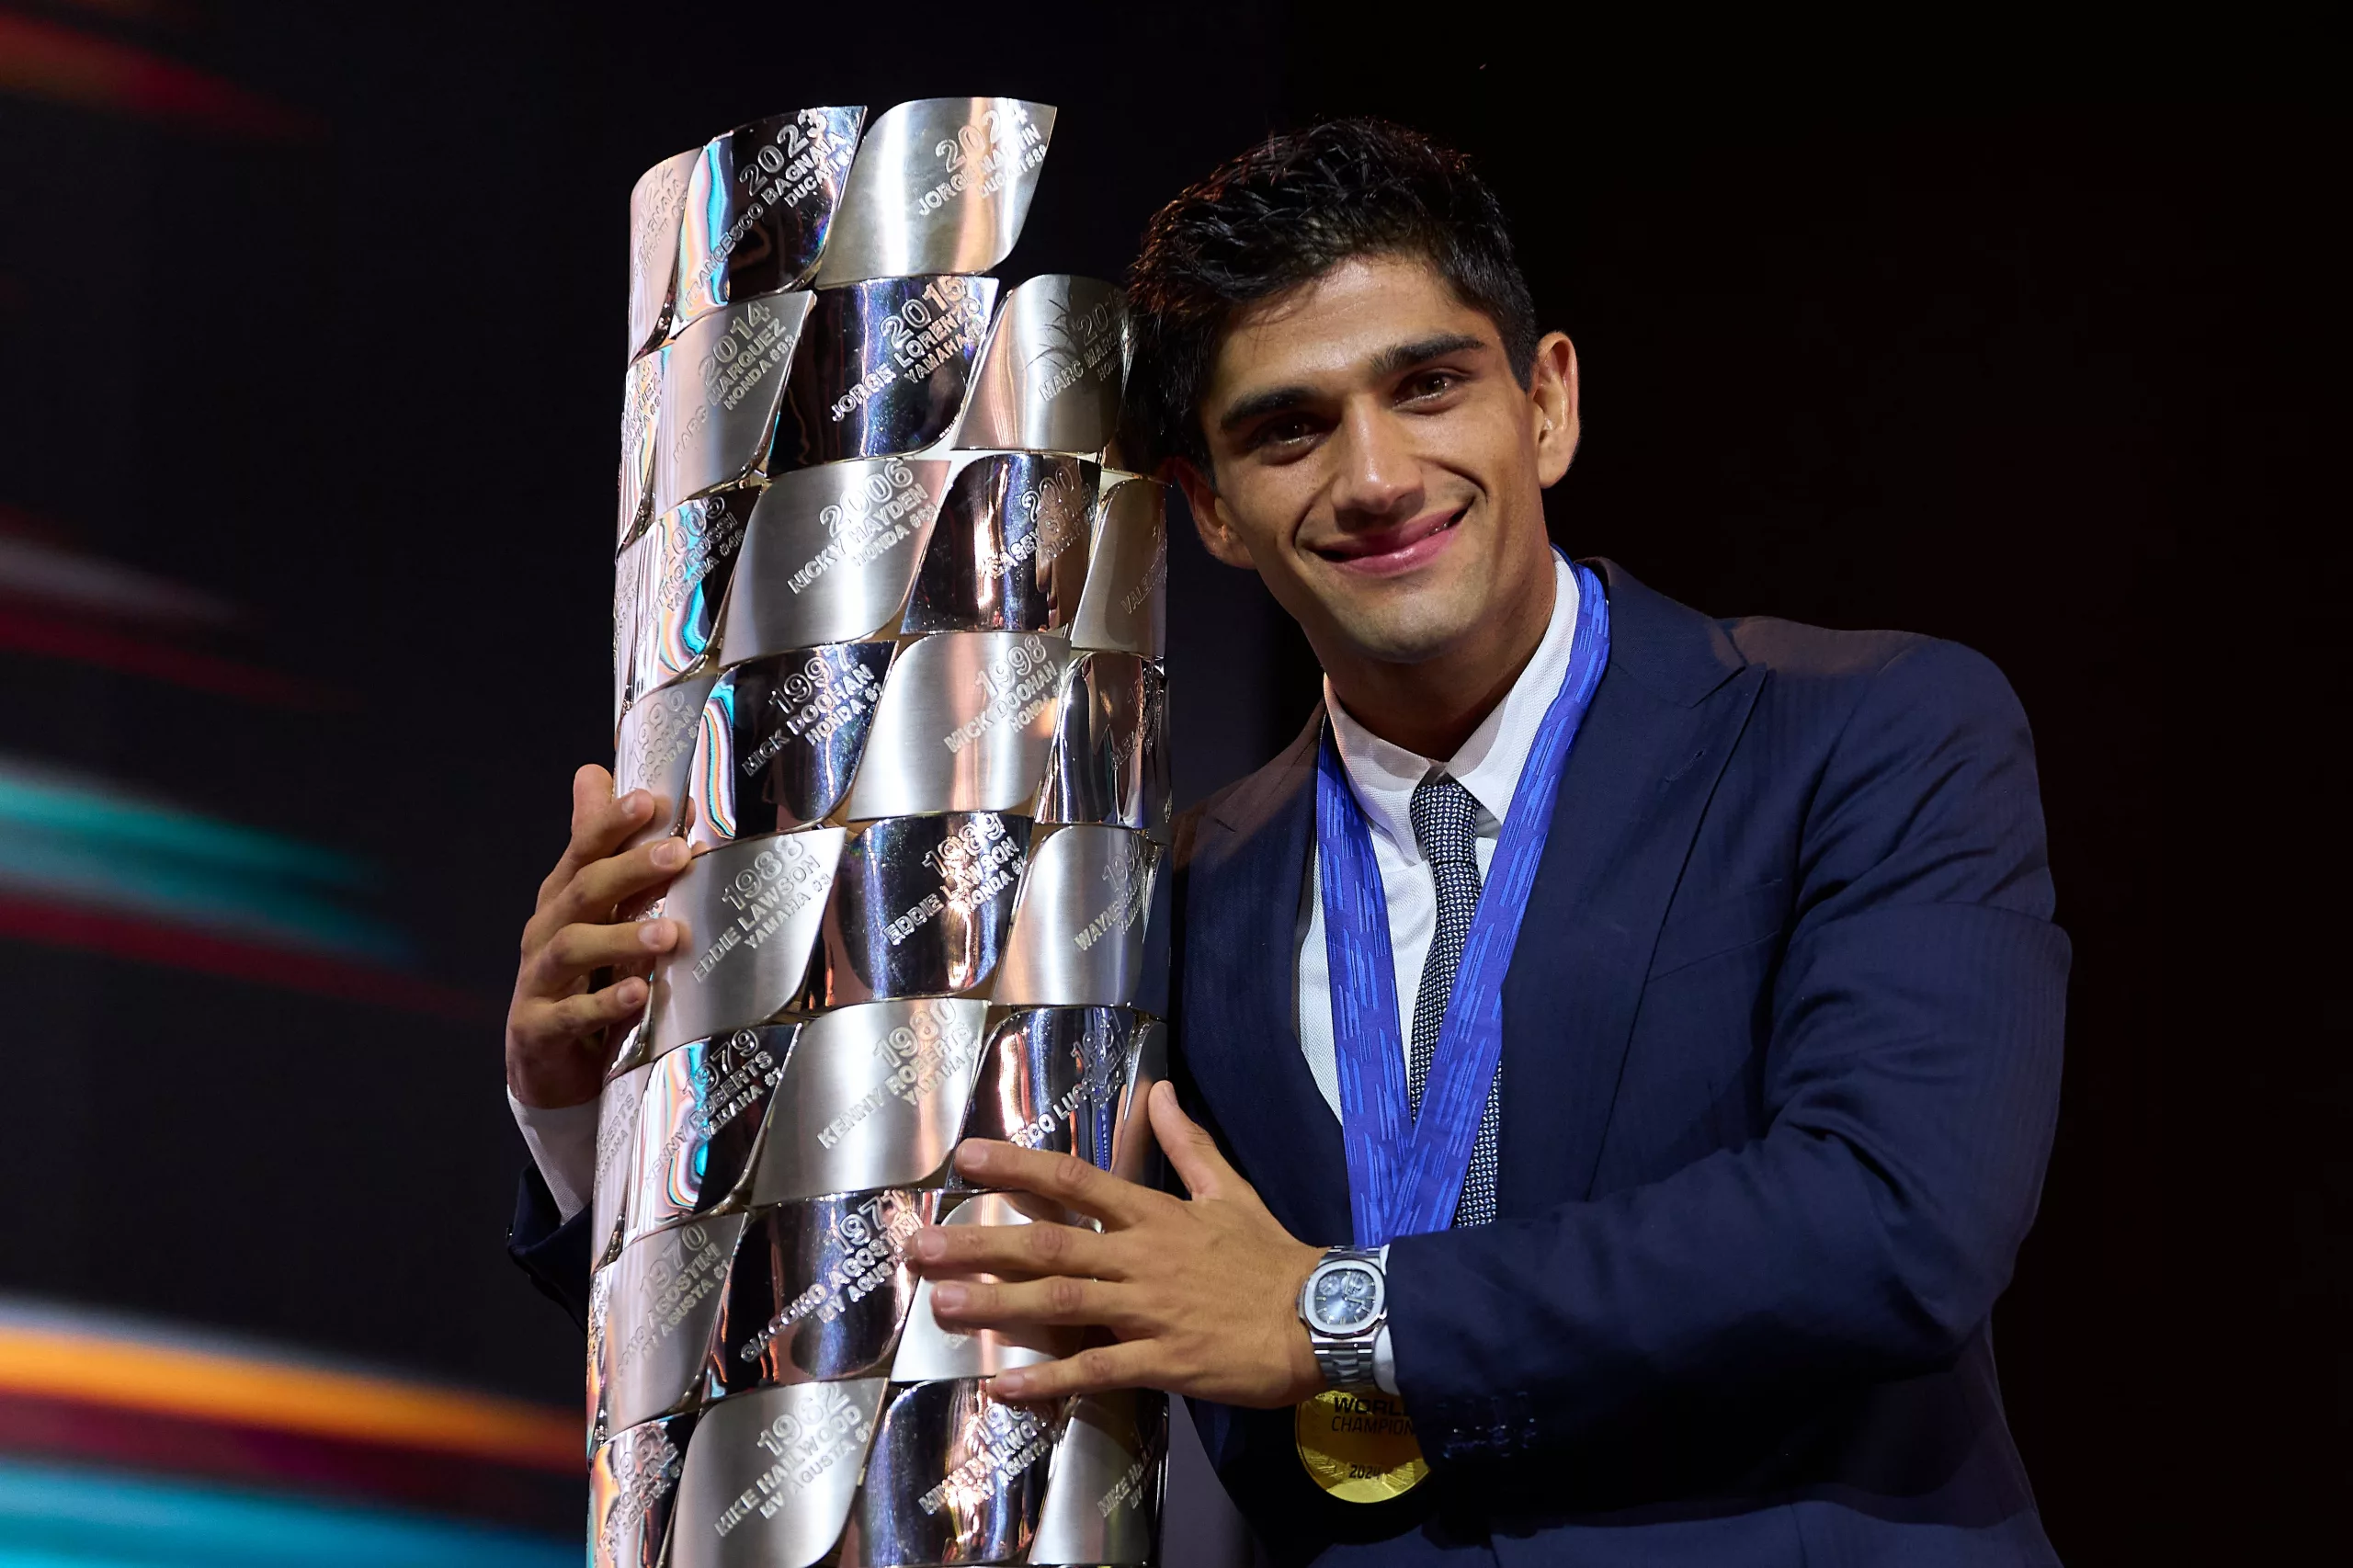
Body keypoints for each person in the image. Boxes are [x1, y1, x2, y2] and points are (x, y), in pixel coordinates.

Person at [506, 120, 2068, 1566]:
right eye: (1290, 429)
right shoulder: (1156, 891)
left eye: (1429, 385)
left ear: (1548, 403)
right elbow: (902, 1293)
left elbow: (1893, 1221)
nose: (1376, 477)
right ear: (1209, 508)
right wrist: (602, 1107)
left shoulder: (1863, 734)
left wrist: (1332, 1316)